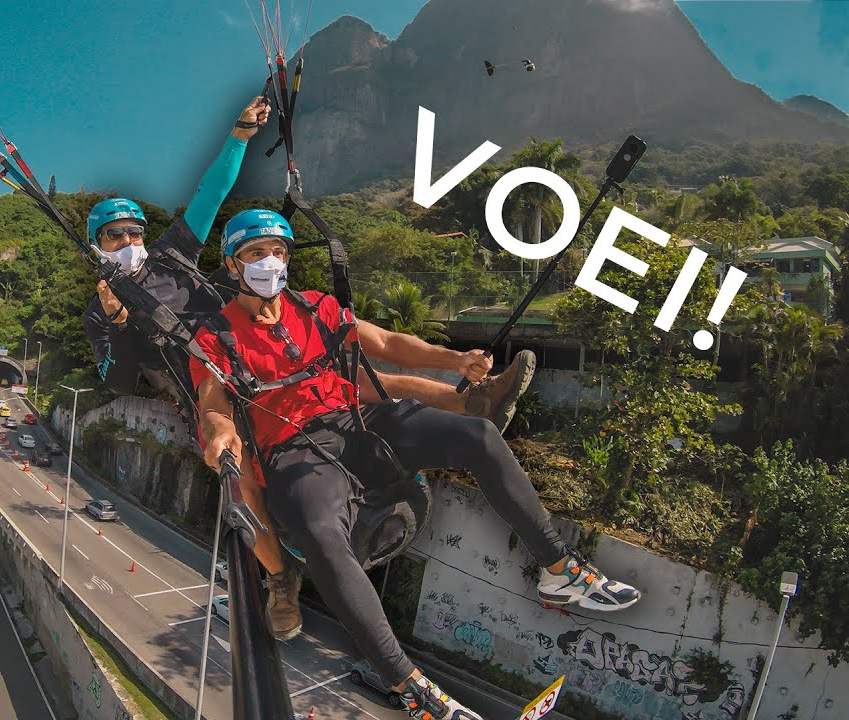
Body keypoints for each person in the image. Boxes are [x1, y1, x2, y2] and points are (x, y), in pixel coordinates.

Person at [81, 97, 536, 643]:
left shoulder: (173, 255)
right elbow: (116, 379)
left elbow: (211, 195)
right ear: (97, 247)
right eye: (116, 237)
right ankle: (280, 579)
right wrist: (120, 323)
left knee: (365, 382)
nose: (130, 243)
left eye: (134, 232)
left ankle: (473, 404)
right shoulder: (101, 310)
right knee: (246, 488)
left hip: (255, 343)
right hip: (219, 390)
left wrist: (239, 136)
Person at [191, 209, 641, 720]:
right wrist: (221, 432)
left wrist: (454, 361)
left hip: (356, 421)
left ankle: (558, 567)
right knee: (319, 532)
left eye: (278, 251)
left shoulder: (312, 306)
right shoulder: (216, 336)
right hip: (292, 450)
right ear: (233, 264)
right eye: (256, 253)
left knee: (478, 435)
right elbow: (212, 401)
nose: (270, 262)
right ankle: (406, 684)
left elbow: (385, 344)